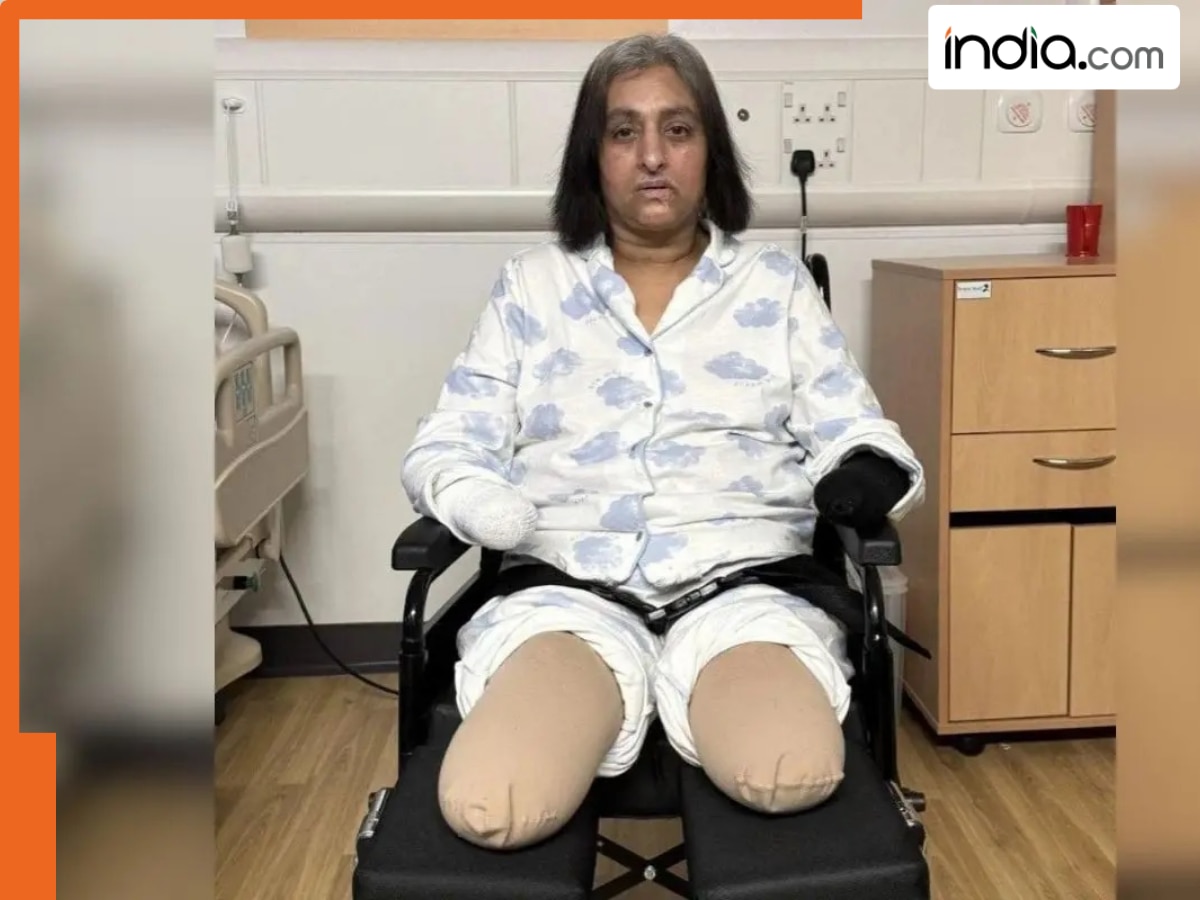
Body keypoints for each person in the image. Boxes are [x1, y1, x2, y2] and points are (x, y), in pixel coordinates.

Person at [401, 32, 925, 850]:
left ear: (710, 150)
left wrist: (859, 477)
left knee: (786, 767)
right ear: (593, 154)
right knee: (494, 797)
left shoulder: (775, 287)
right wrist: (475, 497)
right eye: (624, 131)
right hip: (567, 599)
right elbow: (449, 440)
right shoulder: (533, 286)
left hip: (743, 595)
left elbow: (854, 427)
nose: (652, 155)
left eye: (677, 130)